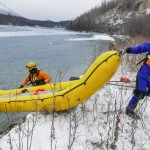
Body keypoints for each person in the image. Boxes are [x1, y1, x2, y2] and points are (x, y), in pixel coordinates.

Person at [119, 42, 150, 119]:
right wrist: (127, 50)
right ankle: (129, 110)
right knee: (140, 92)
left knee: (145, 92)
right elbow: (140, 48)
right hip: (144, 73)